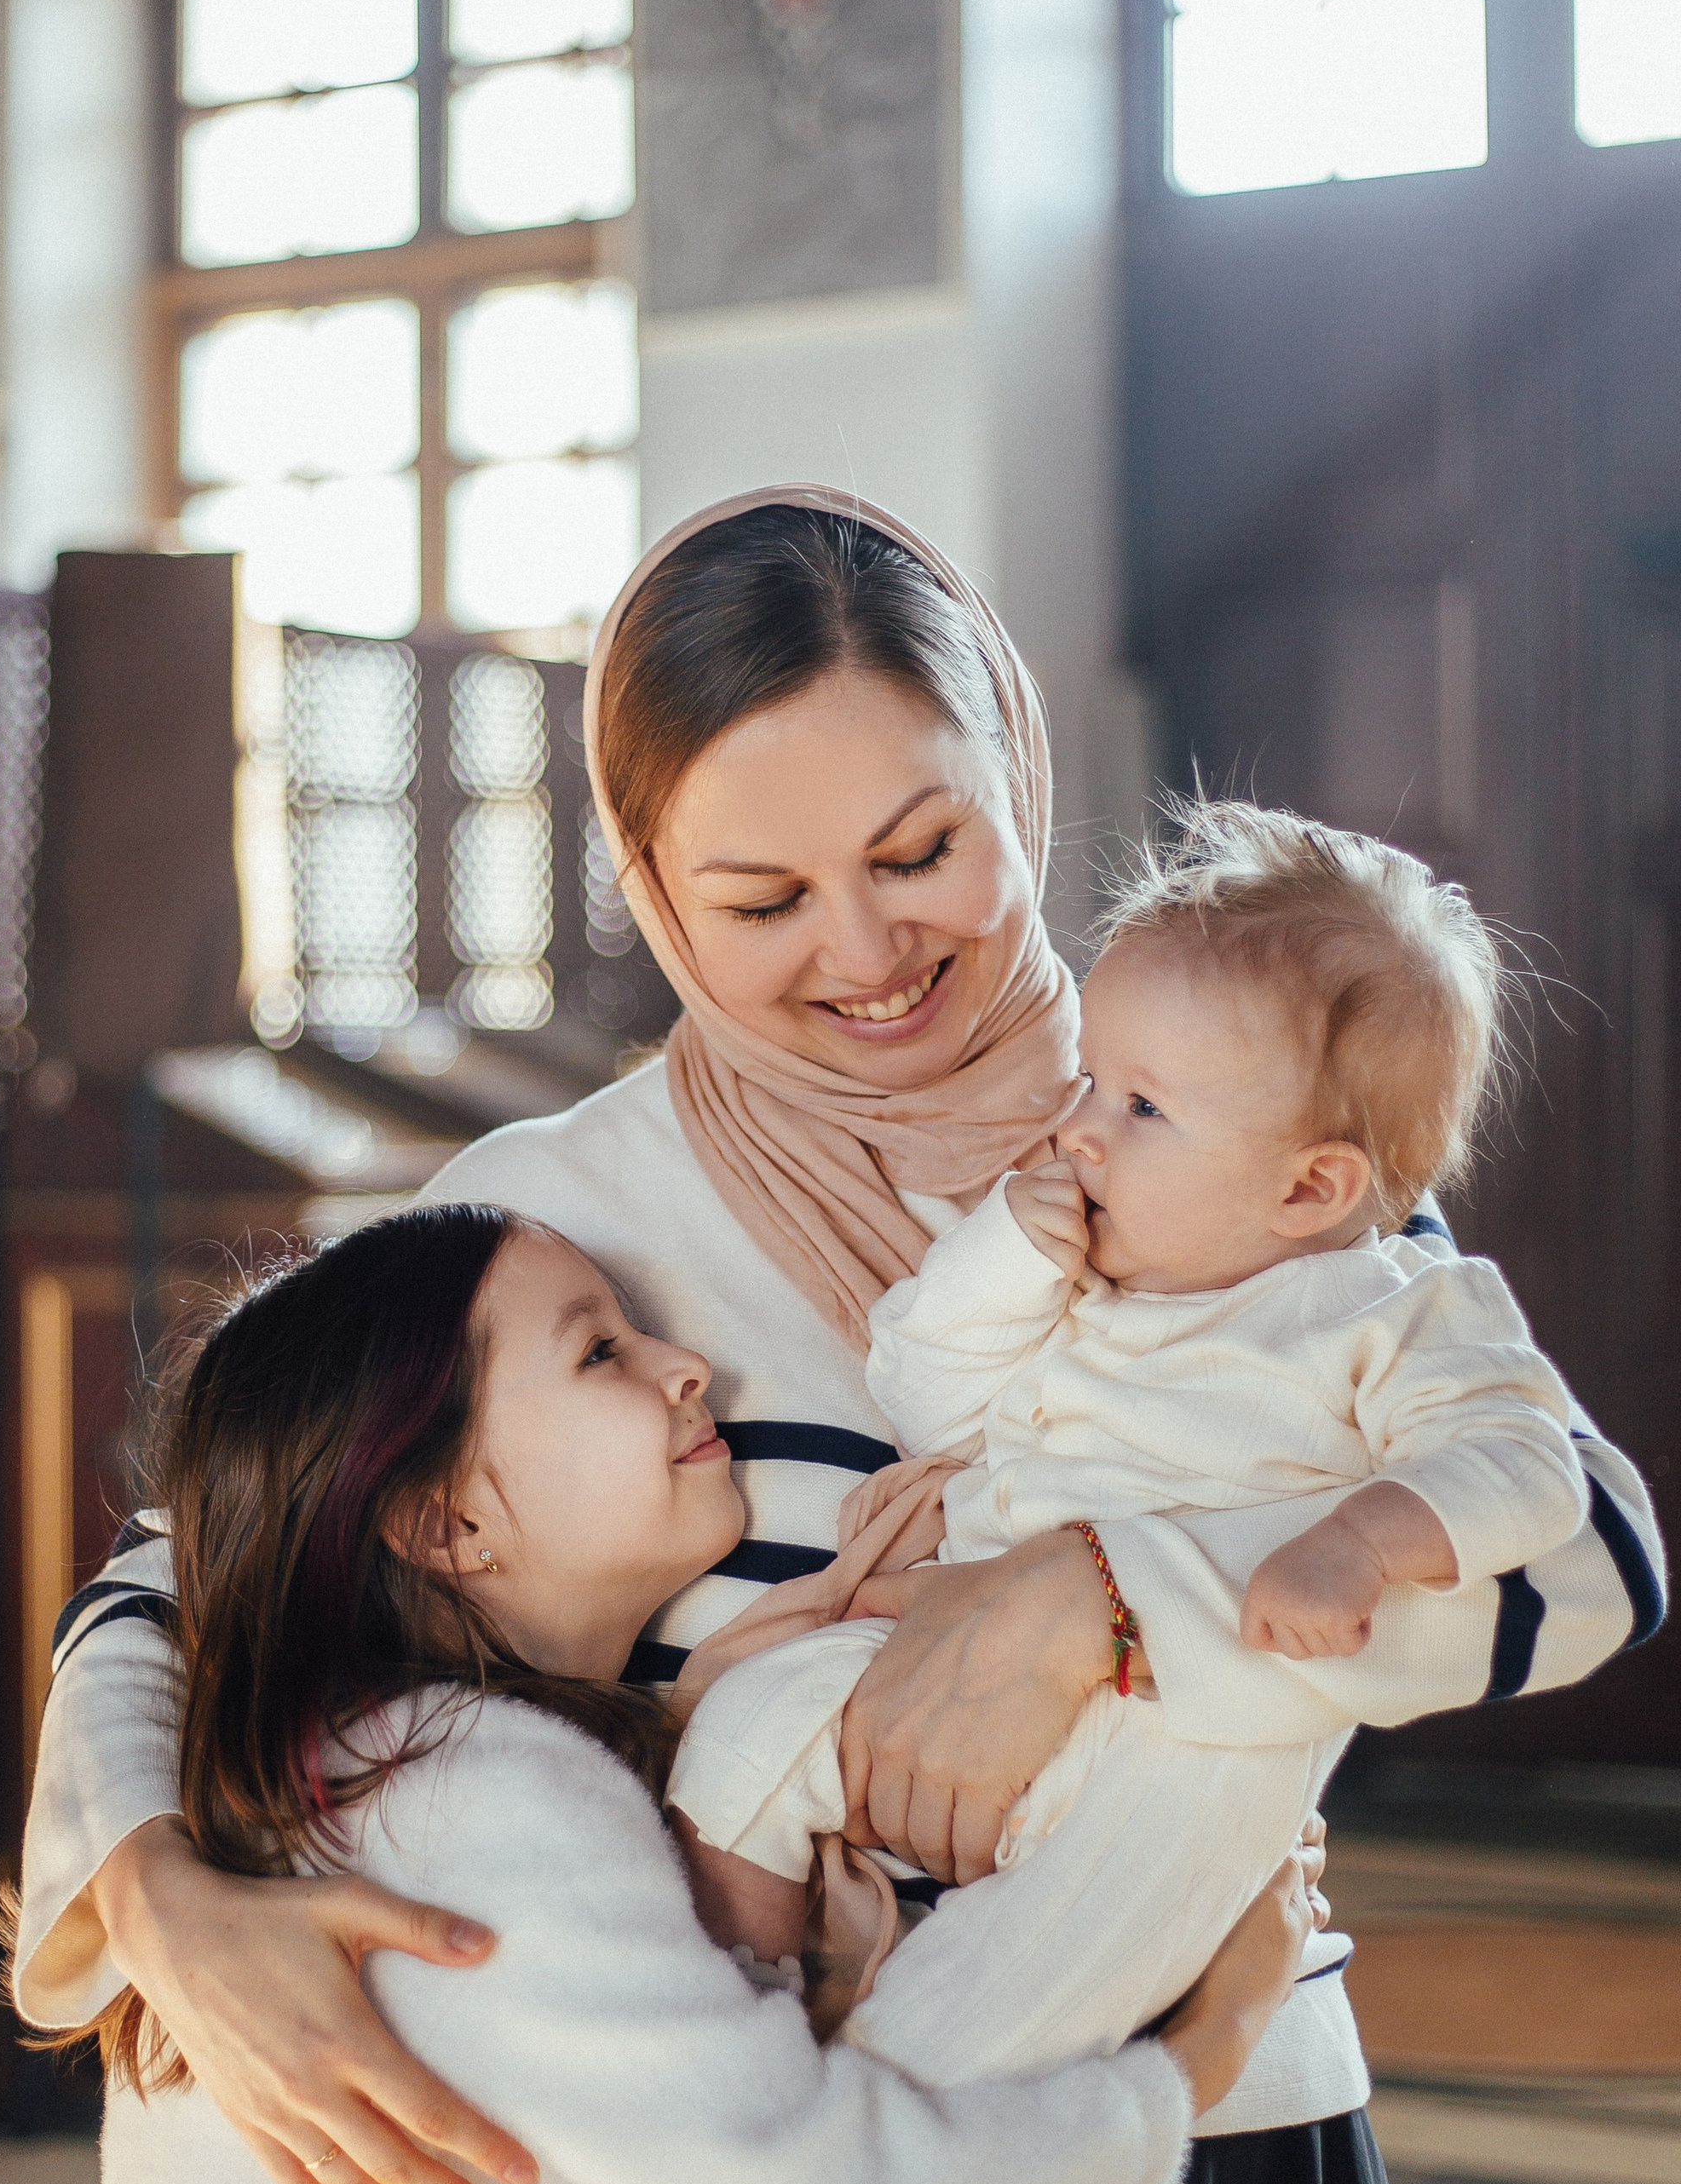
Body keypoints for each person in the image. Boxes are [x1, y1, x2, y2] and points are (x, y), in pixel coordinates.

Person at [22, 494, 1665, 2184]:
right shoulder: (544, 1225)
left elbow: (1578, 1554)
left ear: (1017, 769)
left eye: (921, 852)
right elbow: (182, 1576)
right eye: (763, 897)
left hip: (1218, 2131)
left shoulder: (1236, 1106)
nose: (870, 953)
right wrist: (157, 1890)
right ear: (643, 878)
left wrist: (1097, 1603)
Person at [9, 1205, 1312, 2184]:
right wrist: (1203, 2052)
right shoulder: (488, 1809)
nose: (688, 1366)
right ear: (444, 1522)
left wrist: (715, 1727)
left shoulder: (351, 1778)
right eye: (601, 1353)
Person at [668, 796, 1590, 1978]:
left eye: (1141, 1107)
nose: (1080, 1133)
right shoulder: (1091, 1275)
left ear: (1310, 1190)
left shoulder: (1388, 1307)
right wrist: (1006, 1255)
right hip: (942, 1650)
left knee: (1039, 1987)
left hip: (1169, 1731)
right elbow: (926, 1395)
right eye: (1091, 1080)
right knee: (749, 1724)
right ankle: (741, 1990)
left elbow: (1526, 1466)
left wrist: (1361, 1543)